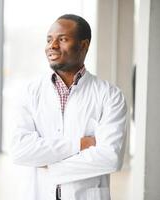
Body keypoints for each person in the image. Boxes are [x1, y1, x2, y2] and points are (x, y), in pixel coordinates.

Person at [10, 14, 127, 200]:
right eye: (49, 39)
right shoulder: (30, 92)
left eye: (62, 39)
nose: (52, 45)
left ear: (83, 45)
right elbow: (20, 150)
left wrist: (50, 165)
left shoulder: (110, 95)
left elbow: (110, 158)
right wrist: (80, 144)